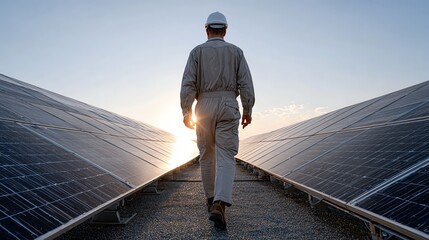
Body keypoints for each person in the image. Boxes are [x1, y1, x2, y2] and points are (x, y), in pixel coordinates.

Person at [180, 11, 255, 230]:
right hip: (228, 104)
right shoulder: (236, 52)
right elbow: (246, 84)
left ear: (206, 30)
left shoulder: (196, 52)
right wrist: (248, 108)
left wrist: (187, 111)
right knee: (226, 155)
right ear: (225, 30)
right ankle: (220, 204)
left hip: (203, 105)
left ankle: (211, 199)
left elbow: (188, 84)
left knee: (206, 155)